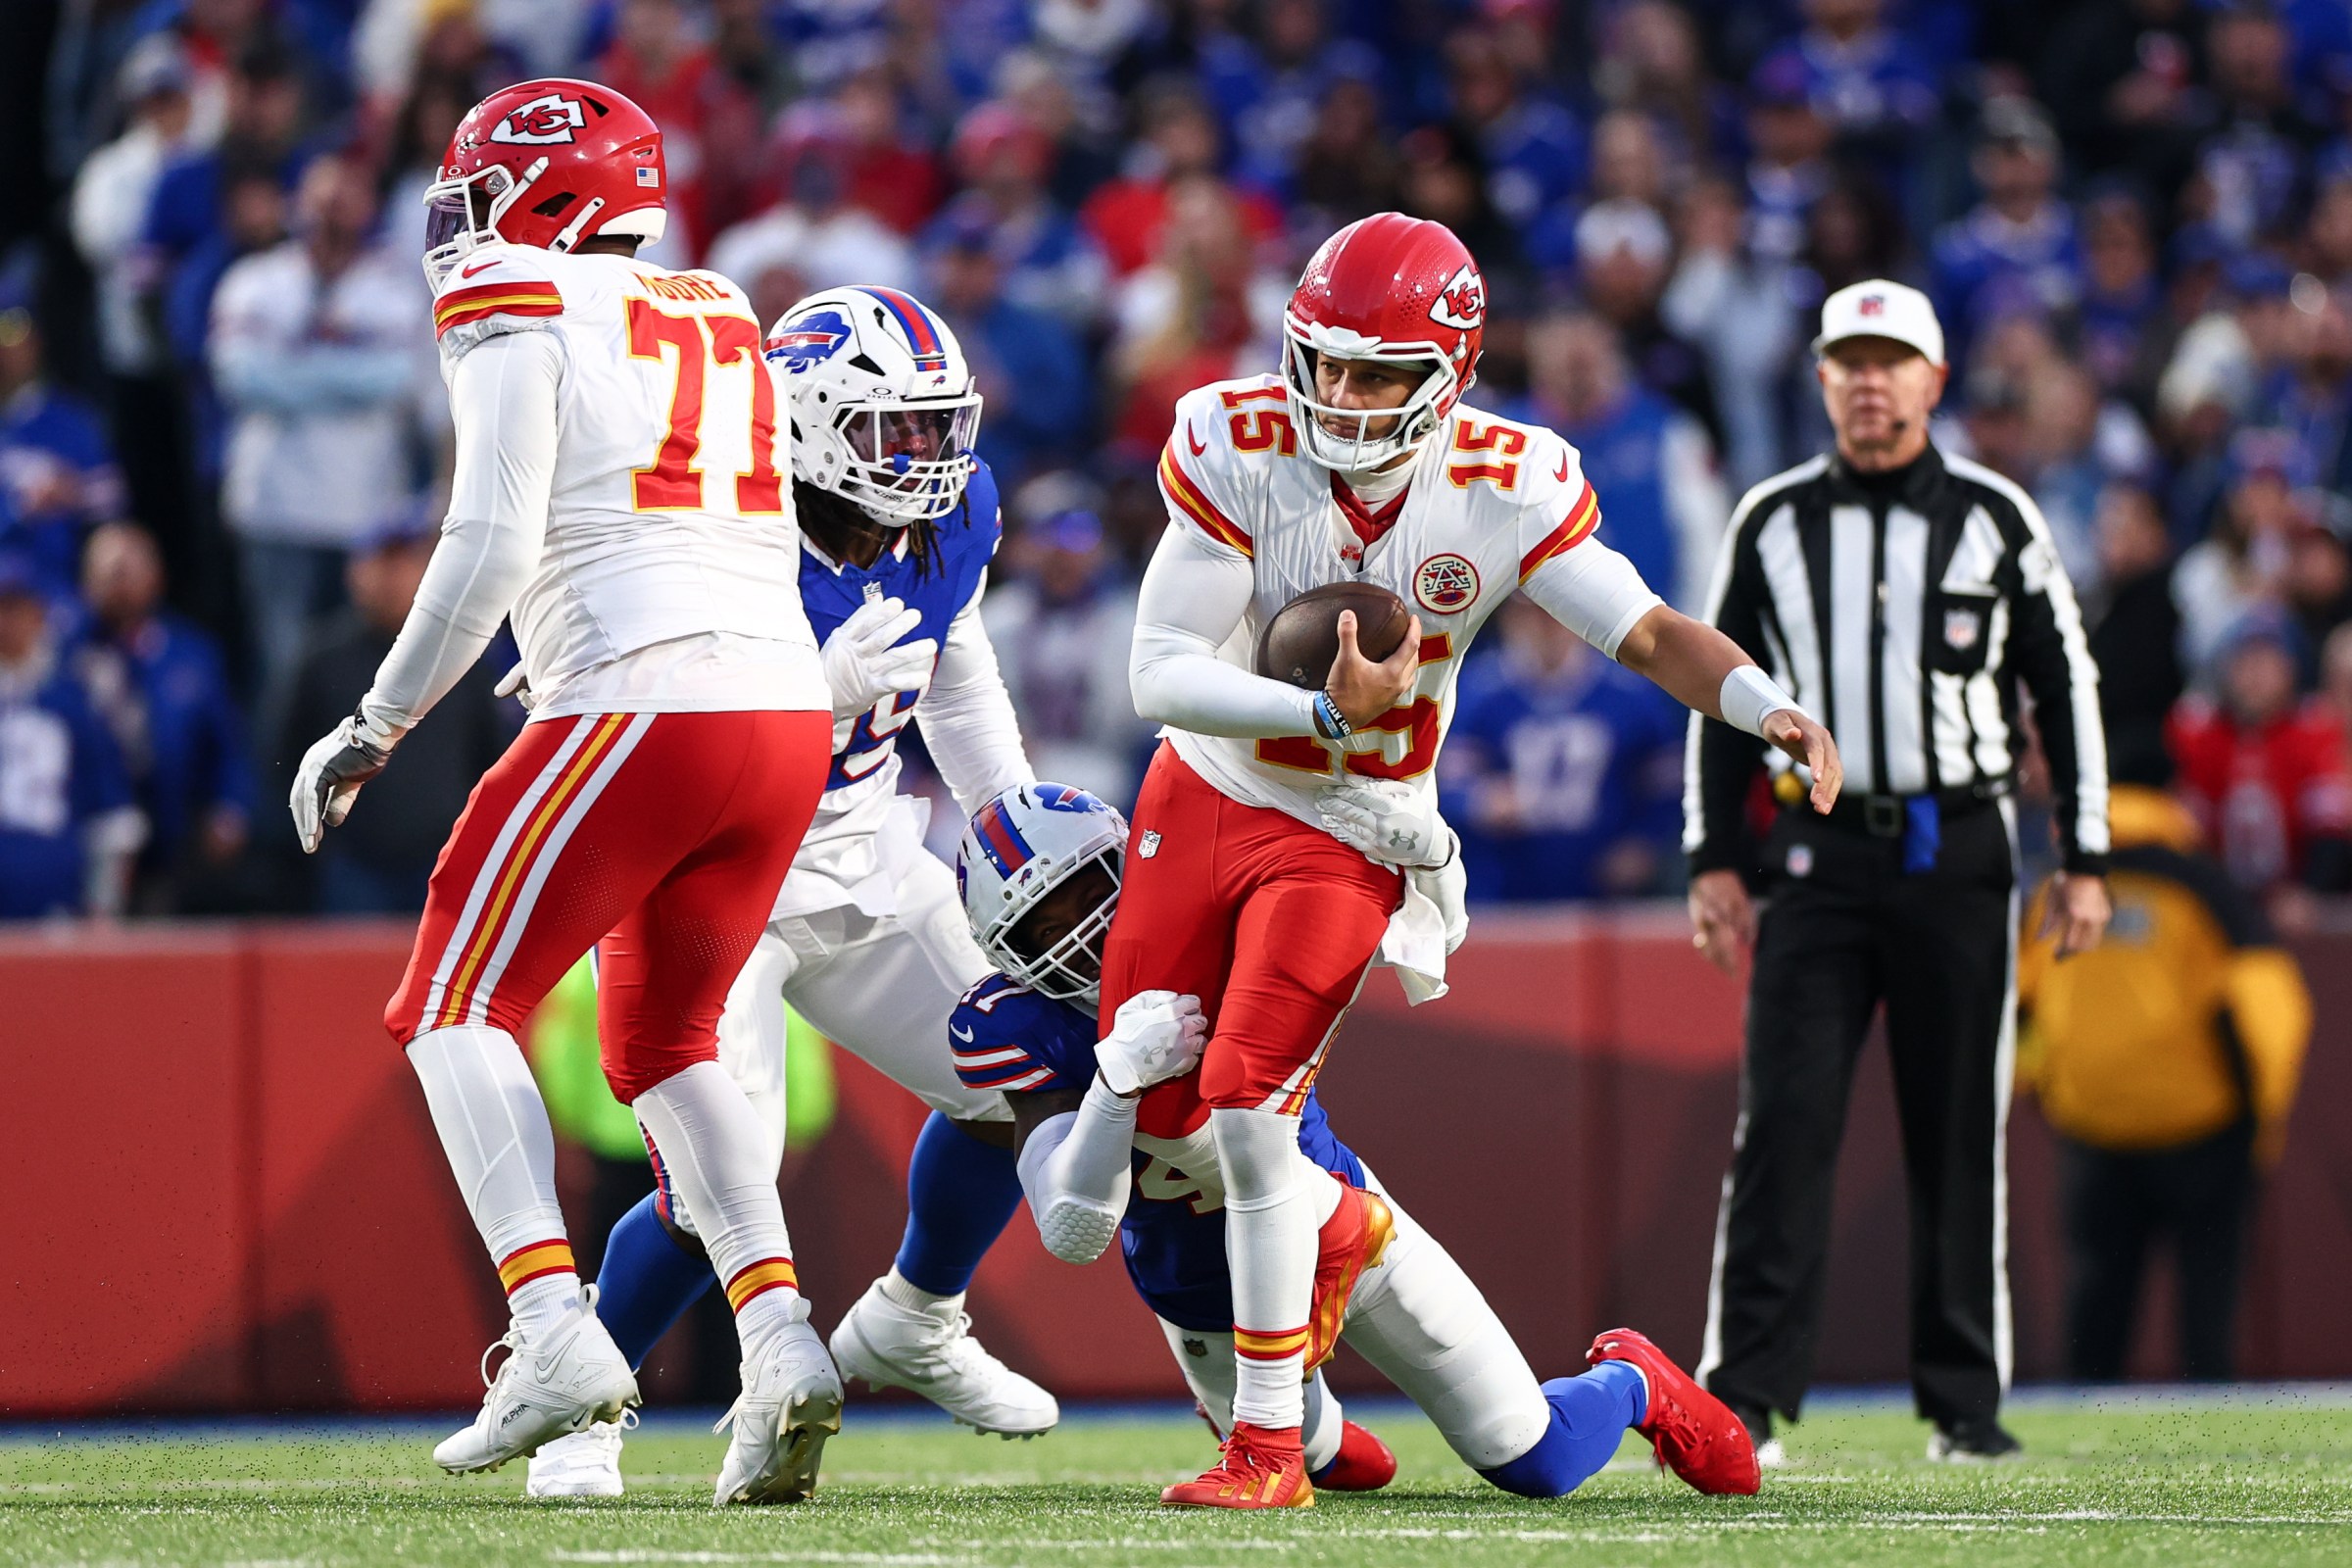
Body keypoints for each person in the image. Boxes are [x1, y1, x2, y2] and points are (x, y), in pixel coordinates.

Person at [1113, 212, 1838, 1508]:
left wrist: (1766, 708)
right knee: (1156, 1127)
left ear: (1446, 373)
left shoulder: (1505, 479)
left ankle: (1292, 1442)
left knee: (1245, 1110)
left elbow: (1650, 632)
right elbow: (1156, 672)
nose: (1340, 396)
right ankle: (1320, 1390)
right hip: (1210, 786)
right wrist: (1318, 710)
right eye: (1324, 363)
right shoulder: (1237, 441)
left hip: (1351, 824)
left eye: (1376, 373)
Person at [287, 80, 837, 1505]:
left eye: (478, 194)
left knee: (450, 1001)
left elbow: (486, 540)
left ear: (543, 203)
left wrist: (377, 718)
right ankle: (778, 1337)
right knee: (666, 1040)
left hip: (644, 695)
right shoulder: (718, 300)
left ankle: (548, 1321)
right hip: (778, 707)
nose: (458, 224)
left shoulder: (510, 283)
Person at [524, 283, 1054, 1500]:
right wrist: (811, 687)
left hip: (867, 851)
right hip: (714, 878)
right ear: (808, 424)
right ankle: (581, 1415)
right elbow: (667, 753)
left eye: (936, 428)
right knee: (719, 1175)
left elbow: (955, 663)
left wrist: (1007, 817)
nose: (928, 461)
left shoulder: (946, 517)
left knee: (1022, 1071)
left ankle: (919, 1316)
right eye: (893, 433)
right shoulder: (711, 529)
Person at [952, 781, 1759, 1505]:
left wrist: (1422, 851)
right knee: (1330, 1459)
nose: (1081, 933)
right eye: (1043, 925)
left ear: (1133, 862)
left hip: (1337, 1224)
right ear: (1005, 954)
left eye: (1089, 894)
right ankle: (1308, 1430)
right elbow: (1072, 1227)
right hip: (1196, 1295)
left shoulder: (1214, 916)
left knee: (1532, 1459)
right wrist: (1118, 1078)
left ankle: (1631, 1382)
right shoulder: (1019, 1024)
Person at [1684, 279, 2113, 1463]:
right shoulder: (1771, 520)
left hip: (1958, 849)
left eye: (1893, 361)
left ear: (1933, 379)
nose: (1871, 381)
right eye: (1849, 362)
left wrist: (2084, 853)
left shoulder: (1996, 515)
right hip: (1817, 855)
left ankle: (1963, 1403)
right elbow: (1720, 695)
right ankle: (1750, 1397)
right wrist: (1715, 857)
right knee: (1783, 1122)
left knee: (1958, 1122)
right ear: (1822, 379)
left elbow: (2061, 684)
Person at [2016, 780, 2311, 1382]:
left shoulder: (2057, 889)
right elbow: (2269, 1005)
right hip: (2202, 1127)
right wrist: (2262, 1118)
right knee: (2208, 1305)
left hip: (2092, 1127)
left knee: (2096, 1305)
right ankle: (2211, 1449)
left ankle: (2077, 1449)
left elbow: (2021, 1008)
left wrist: (2044, 1092)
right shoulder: (2204, 887)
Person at [210, 153, 426, 703]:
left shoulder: (394, 289)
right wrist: (342, 375)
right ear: (296, 205)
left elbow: (397, 378)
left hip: (365, 513)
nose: (331, 216)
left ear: (367, 209)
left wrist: (294, 368)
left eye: (344, 202)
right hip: (275, 510)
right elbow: (240, 376)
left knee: (364, 682)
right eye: (321, 201)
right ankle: (280, 788)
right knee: (283, 676)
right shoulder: (254, 281)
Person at [278, 514, 508, 914]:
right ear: (355, 572)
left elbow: (493, 755)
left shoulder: (461, 655)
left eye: (406, 562)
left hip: (445, 855)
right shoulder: (323, 659)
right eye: (382, 562)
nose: (393, 577)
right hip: (355, 865)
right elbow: (283, 755)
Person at [1442, 596, 1688, 902]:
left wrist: (1644, 843)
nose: (1547, 627)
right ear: (1509, 617)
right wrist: (1479, 801)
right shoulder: (1478, 693)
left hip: (1604, 883)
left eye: (1557, 614)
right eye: (1533, 614)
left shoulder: (1630, 695)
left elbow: (1666, 788)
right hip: (1505, 881)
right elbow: (1440, 785)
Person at [72, 520, 254, 912]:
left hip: (172, 823)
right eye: (110, 573)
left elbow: (225, 742)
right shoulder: (66, 654)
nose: (121, 585)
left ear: (156, 577)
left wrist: (230, 805)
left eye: (130, 572)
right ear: (87, 581)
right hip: (87, 828)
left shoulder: (191, 653)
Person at [0, 552, 142, 919]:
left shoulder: (71, 702)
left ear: (38, 614)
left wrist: (104, 907)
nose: (6, 622)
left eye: (14, 607)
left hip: (54, 894)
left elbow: (113, 816)